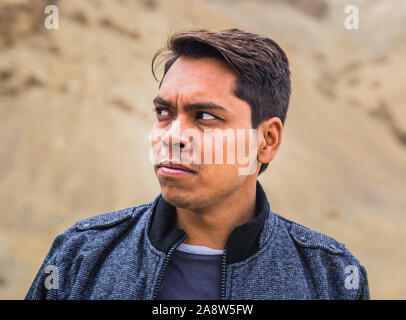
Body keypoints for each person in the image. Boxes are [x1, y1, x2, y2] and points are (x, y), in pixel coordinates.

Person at [26, 28, 370, 300]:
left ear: (267, 141)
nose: (173, 136)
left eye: (204, 116)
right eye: (164, 113)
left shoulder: (332, 278)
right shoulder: (80, 257)